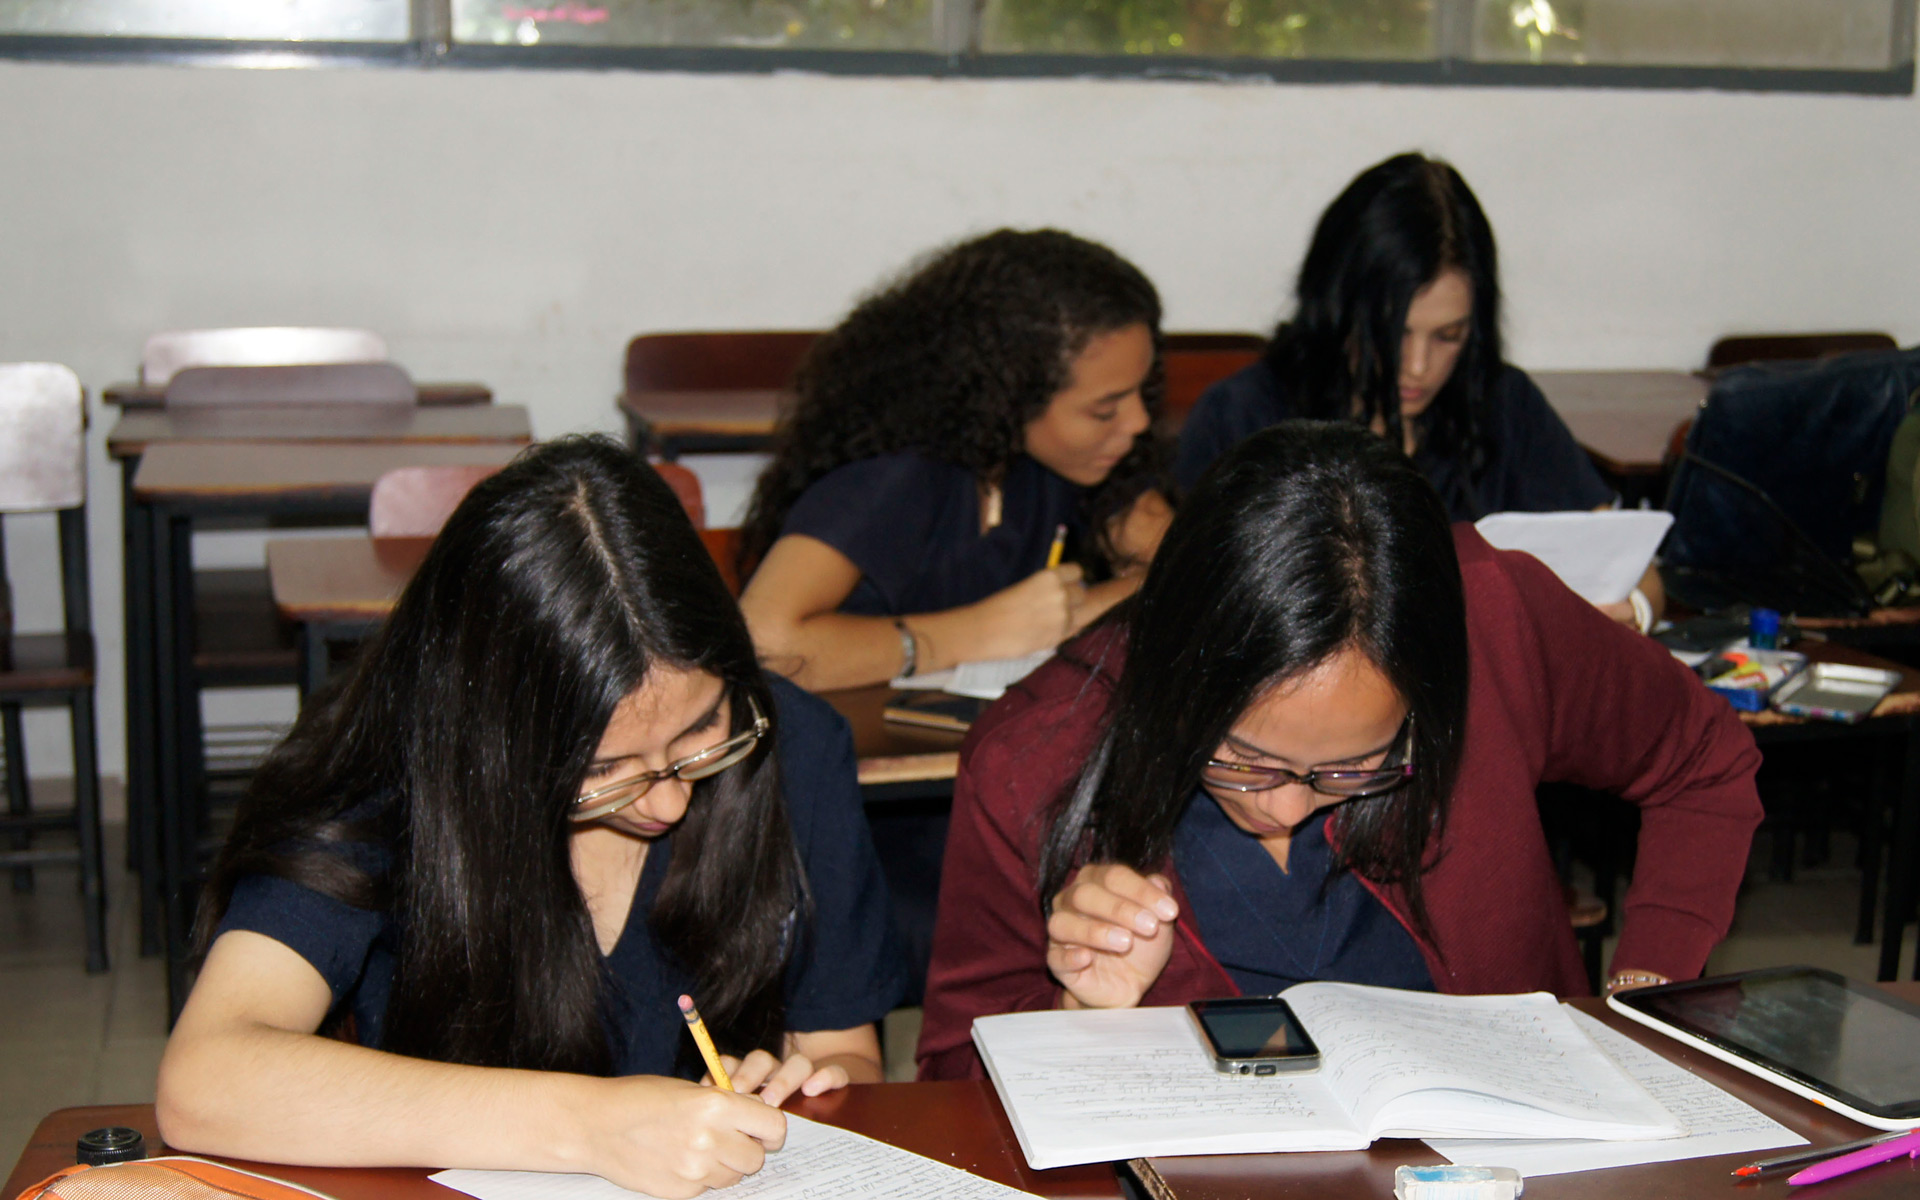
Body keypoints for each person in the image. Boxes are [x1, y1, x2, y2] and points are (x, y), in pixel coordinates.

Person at [157, 437, 906, 1199]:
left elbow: (848, 1055)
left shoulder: (793, 747)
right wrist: (594, 1127)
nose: (668, 801)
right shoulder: (384, 785)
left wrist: (802, 1093)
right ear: (490, 738)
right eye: (605, 770)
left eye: (700, 732)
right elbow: (205, 1078)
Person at [917, 421, 1761, 1080]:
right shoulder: (1033, 756)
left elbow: (1702, 759)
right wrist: (1076, 1007)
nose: (1281, 807)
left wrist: (1648, 988)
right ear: (1174, 668)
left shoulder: (1495, 621)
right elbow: (956, 1071)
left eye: (1352, 769)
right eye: (1241, 758)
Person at [1174, 151, 1661, 629]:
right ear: (1339, 311)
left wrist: (1634, 612)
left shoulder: (1502, 402)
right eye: (1391, 335)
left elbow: (1637, 569)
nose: (1418, 367)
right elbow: (1198, 609)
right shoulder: (1243, 415)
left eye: (1449, 336)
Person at [738, 227, 1175, 692]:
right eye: (1104, 409)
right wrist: (978, 632)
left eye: (1142, 391)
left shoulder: (1071, 465)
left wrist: (1077, 614)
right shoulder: (893, 480)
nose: (1138, 421)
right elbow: (764, 644)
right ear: (1008, 396)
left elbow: (1188, 564)